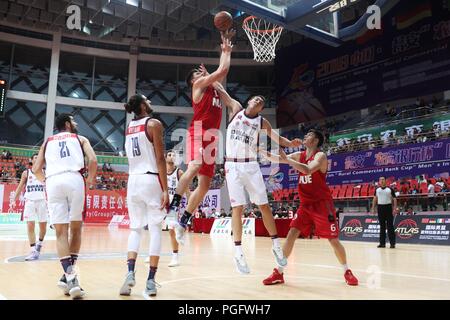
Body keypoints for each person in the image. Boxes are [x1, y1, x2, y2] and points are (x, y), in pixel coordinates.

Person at [215, 84, 301, 274]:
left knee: (264, 206)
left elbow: (276, 138)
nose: (259, 100)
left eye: (262, 101)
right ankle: (238, 251)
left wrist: (290, 143)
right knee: (238, 208)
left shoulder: (262, 122)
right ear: (249, 101)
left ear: (262, 109)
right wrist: (209, 77)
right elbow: (221, 91)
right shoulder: (236, 108)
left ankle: (276, 245)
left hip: (251, 165)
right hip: (232, 165)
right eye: (256, 98)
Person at [260, 129, 359, 286]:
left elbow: (306, 169)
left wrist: (288, 160)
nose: (305, 136)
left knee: (332, 239)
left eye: (309, 135)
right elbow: (277, 159)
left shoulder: (320, 156)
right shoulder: (300, 155)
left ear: (315, 141)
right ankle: (278, 272)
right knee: (292, 233)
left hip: (322, 204)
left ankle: (347, 271)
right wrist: (260, 150)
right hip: (305, 205)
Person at [166, 32, 235, 244]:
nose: (201, 74)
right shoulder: (197, 87)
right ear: (193, 81)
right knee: (194, 166)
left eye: (201, 73)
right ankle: (172, 209)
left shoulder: (214, 89)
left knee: (204, 185)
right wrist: (225, 52)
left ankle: (183, 220)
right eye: (198, 74)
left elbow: (222, 80)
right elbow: (222, 70)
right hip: (197, 131)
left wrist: (223, 60)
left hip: (212, 137)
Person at [32, 113, 97, 299]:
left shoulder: (48, 141)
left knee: (60, 232)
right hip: (74, 179)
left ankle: (68, 276)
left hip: (53, 181)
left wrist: (46, 180)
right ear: (68, 124)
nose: (75, 124)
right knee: (76, 229)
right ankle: (72, 278)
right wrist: (90, 180)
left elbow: (36, 169)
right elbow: (92, 160)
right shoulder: (80, 138)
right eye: (73, 121)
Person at [119, 94, 169, 299]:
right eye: (147, 100)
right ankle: (150, 280)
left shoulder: (129, 128)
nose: (150, 102)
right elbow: (159, 158)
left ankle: (129, 273)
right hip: (150, 179)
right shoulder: (154, 124)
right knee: (155, 229)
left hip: (133, 180)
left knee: (135, 229)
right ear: (142, 105)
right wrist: (165, 189)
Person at [145, 150, 190, 267]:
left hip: (174, 204)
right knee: (155, 227)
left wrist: (190, 201)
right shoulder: (161, 171)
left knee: (171, 231)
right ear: (165, 158)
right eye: (170, 155)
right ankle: (152, 253)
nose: (172, 157)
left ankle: (175, 257)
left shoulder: (179, 172)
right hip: (162, 202)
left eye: (174, 155)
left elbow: (186, 188)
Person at [12, 154, 48, 261]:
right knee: (30, 225)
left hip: (42, 202)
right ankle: (33, 250)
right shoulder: (26, 173)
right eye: (35, 157)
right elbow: (20, 187)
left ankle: (39, 244)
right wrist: (14, 200)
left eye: (39, 157)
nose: (37, 159)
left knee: (43, 226)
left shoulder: (45, 173)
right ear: (31, 160)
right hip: (30, 201)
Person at [371, 177, 397, 248]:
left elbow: (394, 199)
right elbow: (375, 199)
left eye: (383, 179)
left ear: (385, 181)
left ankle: (392, 243)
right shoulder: (377, 190)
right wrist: (373, 208)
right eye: (380, 180)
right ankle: (382, 243)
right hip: (380, 208)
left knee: (390, 226)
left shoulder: (390, 189)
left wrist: (394, 208)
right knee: (382, 226)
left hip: (388, 208)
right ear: (379, 181)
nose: (381, 181)